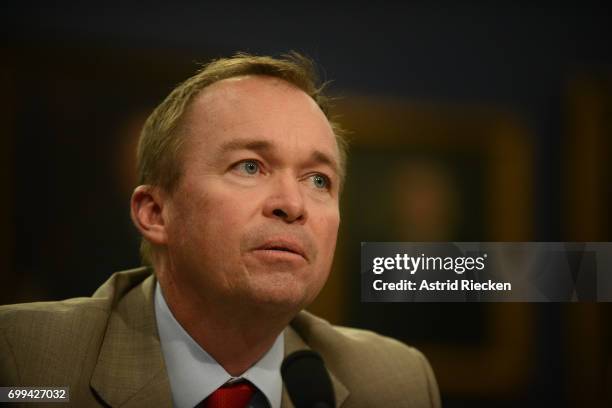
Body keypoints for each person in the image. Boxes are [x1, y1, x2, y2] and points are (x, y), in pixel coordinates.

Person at [0, 53, 440, 407]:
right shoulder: (25, 365)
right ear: (155, 212)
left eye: (318, 179)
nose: (292, 204)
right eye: (250, 166)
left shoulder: (396, 383)